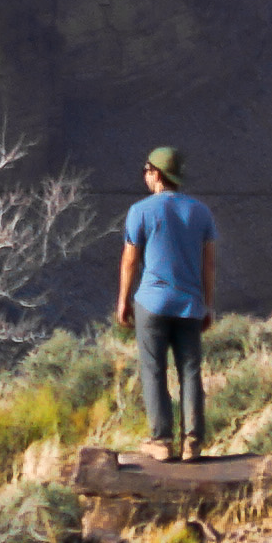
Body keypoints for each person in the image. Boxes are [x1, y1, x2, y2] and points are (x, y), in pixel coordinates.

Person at [112, 146, 220, 460]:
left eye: (146, 170)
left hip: (151, 303)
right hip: (189, 305)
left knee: (153, 370)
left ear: (156, 174)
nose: (145, 176)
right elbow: (208, 264)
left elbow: (129, 261)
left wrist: (123, 301)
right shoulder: (201, 212)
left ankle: (160, 441)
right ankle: (193, 442)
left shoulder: (140, 211)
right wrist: (208, 304)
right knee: (190, 371)